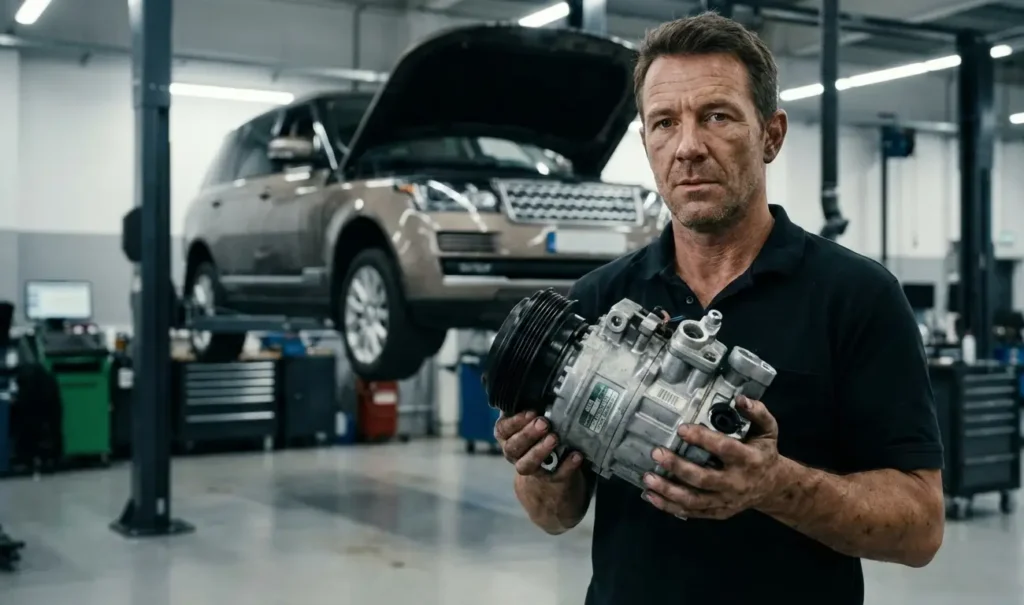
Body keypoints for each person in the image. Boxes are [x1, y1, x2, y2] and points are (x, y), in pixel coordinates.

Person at [493, 12, 945, 605]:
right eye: (664, 123)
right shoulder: (597, 302)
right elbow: (555, 516)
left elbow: (920, 527)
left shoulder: (857, 297)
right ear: (647, 143)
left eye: (716, 116)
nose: (687, 147)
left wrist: (773, 484)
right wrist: (540, 466)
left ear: (771, 135)